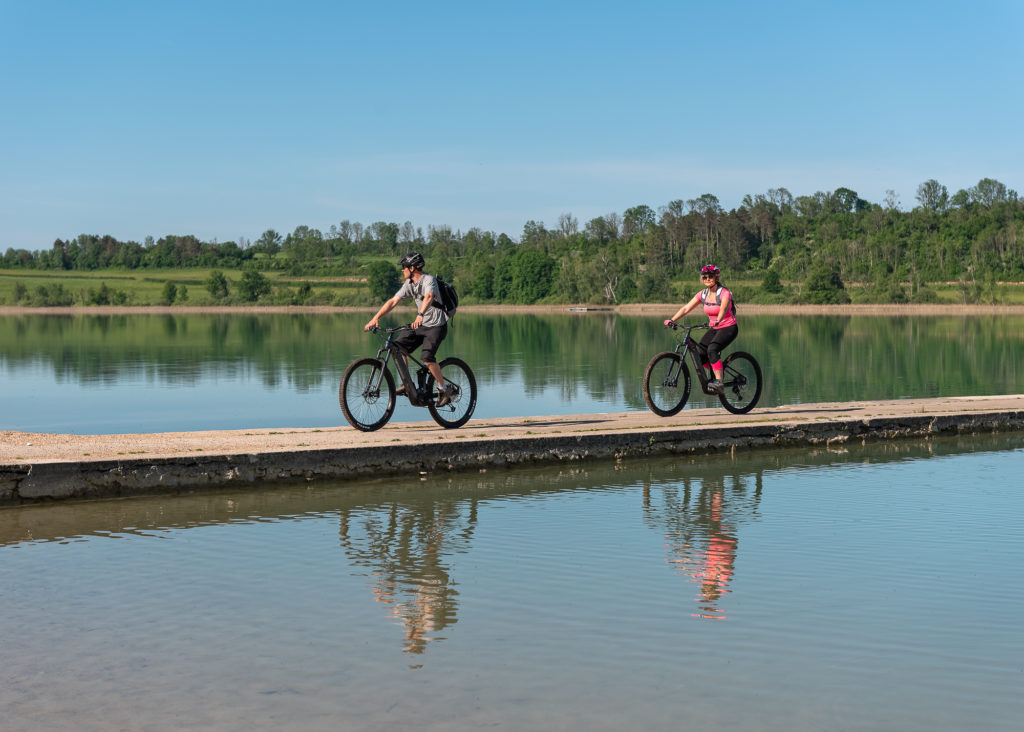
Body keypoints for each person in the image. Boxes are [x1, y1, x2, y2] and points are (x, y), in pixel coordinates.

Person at [365, 252, 452, 406]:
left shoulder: (428, 280)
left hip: (437, 325)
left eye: (404, 267)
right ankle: (408, 384)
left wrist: (420, 314)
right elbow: (393, 301)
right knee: (397, 348)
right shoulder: (409, 284)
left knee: (427, 358)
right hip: (421, 324)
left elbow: (429, 296)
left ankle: (444, 389)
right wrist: (375, 317)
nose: (402, 270)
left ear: (412, 268)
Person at [664, 264, 738, 394]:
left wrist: (717, 320)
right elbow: (686, 308)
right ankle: (716, 372)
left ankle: (719, 382)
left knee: (712, 349)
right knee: (701, 355)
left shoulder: (724, 293)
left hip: (728, 327)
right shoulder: (702, 294)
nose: (707, 279)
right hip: (714, 327)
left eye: (710, 277)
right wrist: (672, 320)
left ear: (717, 277)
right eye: (705, 277)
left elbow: (724, 308)